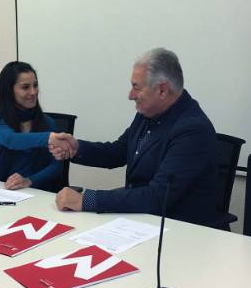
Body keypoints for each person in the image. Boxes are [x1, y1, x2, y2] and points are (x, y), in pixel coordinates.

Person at [49, 48, 218, 226]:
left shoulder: (192, 130)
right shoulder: (149, 113)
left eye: (136, 87)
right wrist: (76, 148)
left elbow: (157, 196)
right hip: (139, 220)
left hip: (177, 229)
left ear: (162, 90)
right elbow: (117, 152)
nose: (130, 95)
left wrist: (88, 200)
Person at [0, 61, 62, 192]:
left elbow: (56, 166)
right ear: (9, 90)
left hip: (39, 191)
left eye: (35, 85)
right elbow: (11, 139)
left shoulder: (48, 122)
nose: (33, 92)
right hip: (4, 189)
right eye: (25, 87)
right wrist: (49, 138)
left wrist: (29, 181)